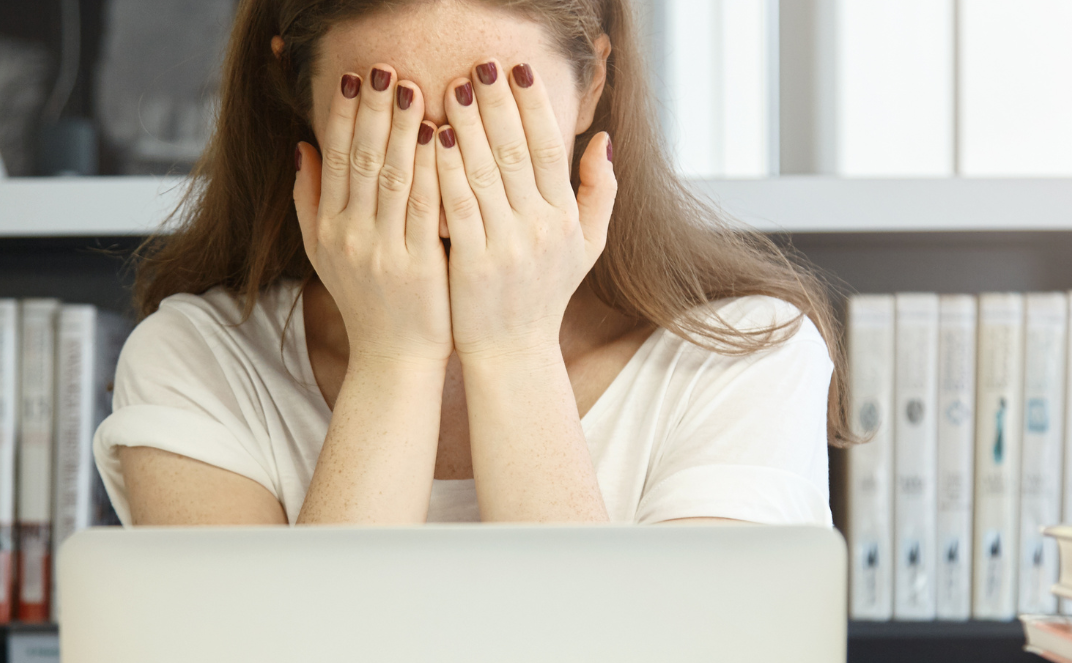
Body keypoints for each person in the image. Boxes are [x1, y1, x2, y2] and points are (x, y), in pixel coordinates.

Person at [94, 0, 853, 526]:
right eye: (390, 124)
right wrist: (395, 357)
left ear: (592, 85)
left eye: (489, 125)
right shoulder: (198, 362)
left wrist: (514, 347)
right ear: (300, 98)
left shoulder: (742, 360)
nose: (447, 180)